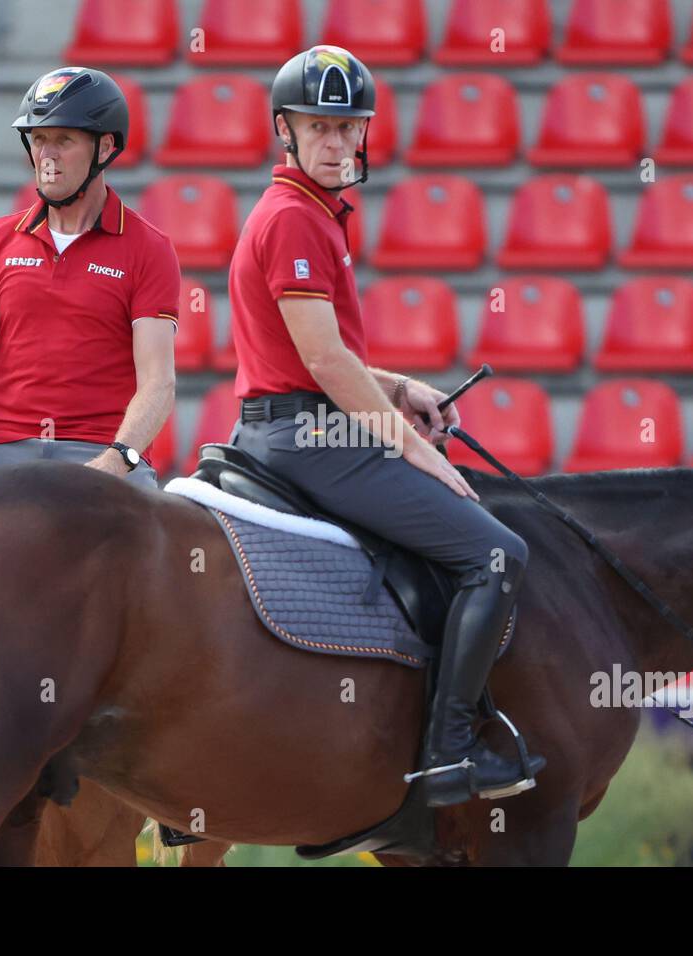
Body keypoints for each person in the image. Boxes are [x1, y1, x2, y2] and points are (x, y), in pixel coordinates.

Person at [227, 46, 546, 807]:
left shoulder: (314, 214)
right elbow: (323, 363)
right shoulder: (296, 219)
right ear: (287, 132)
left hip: (295, 422)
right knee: (497, 555)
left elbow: (324, 357)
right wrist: (413, 451)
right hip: (306, 436)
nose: (337, 144)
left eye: (350, 128)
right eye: (320, 128)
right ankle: (448, 751)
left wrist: (400, 389)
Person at [0, 66, 180, 489]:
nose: (46, 155)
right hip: (2, 451)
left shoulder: (149, 248)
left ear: (105, 148)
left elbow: (159, 383)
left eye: (63, 140)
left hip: (100, 454)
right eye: (39, 139)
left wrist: (118, 459)